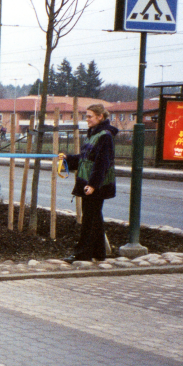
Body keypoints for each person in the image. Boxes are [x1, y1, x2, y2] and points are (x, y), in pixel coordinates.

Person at [58, 103, 118, 263]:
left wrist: (92, 185)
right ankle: (99, 253)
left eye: (90, 116)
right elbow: (85, 158)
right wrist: (68, 159)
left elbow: (102, 163)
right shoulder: (94, 134)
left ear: (100, 117)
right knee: (94, 218)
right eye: (87, 116)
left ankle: (82, 253)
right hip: (92, 184)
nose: (87, 119)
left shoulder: (104, 136)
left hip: (95, 185)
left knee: (89, 219)